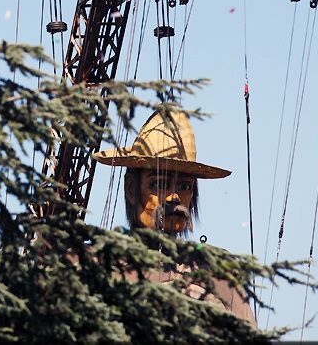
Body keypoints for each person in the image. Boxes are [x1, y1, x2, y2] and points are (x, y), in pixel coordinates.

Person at [93, 108, 257, 325]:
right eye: (159, 184)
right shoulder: (95, 264)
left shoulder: (218, 271)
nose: (174, 197)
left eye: (184, 186)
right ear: (131, 189)